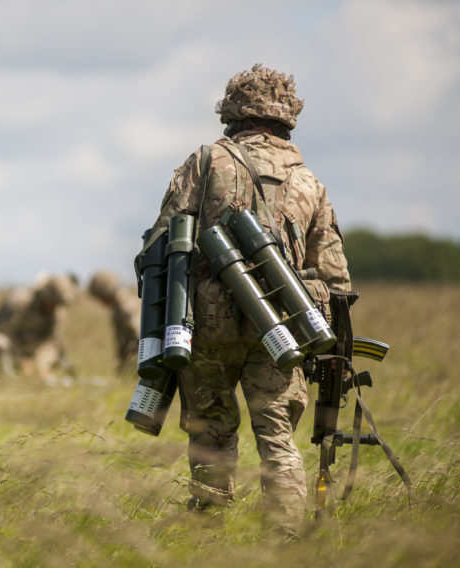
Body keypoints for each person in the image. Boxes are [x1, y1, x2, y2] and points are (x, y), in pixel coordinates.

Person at [150, 64, 351, 534]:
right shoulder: (309, 182)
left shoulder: (204, 162)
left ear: (233, 114)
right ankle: (284, 539)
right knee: (278, 437)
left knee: (211, 432)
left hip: (207, 324)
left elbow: (164, 241)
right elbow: (335, 277)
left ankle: (206, 535)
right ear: (287, 118)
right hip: (284, 327)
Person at [0, 272, 78, 381]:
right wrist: (23, 361)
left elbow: (51, 341)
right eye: (53, 302)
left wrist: (41, 367)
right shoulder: (21, 301)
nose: (55, 307)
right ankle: (6, 383)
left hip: (26, 347)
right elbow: (6, 333)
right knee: (1, 344)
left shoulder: (56, 312)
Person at [87, 270, 141, 374]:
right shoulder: (121, 306)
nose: (100, 302)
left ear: (105, 292)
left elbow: (139, 338)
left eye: (99, 297)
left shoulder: (126, 308)